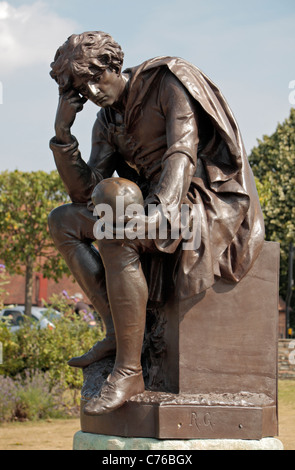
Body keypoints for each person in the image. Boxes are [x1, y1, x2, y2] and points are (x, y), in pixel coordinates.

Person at [48, 31, 265, 415]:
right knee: (64, 220)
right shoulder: (106, 120)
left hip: (200, 201)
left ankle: (130, 370)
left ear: (113, 65)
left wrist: (160, 210)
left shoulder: (166, 79)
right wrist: (63, 135)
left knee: (117, 219)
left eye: (96, 78)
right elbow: (86, 195)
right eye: (83, 88)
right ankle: (117, 333)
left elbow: (183, 149)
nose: (94, 91)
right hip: (152, 207)